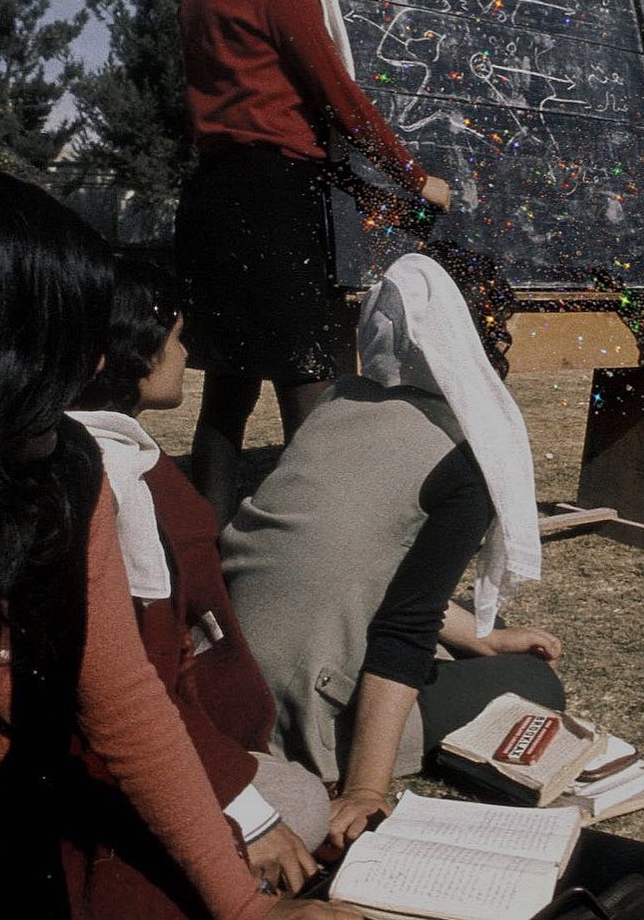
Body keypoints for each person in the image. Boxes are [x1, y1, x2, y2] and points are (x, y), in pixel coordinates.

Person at [0, 150, 358, 920]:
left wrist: (247, 908)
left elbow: (126, 701)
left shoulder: (66, 473)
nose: (88, 365)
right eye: (54, 343)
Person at [221, 254, 566, 849]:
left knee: (490, 627)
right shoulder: (464, 455)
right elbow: (403, 627)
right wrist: (365, 789)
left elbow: (357, 558)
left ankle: (478, 641)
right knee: (533, 683)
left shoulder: (341, 401)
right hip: (295, 700)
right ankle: (347, 753)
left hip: (230, 663)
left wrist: (479, 638)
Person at [176, 0, 452, 527]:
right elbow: (343, 99)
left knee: (227, 394)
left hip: (214, 196)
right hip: (275, 199)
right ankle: (323, 547)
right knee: (311, 384)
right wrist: (416, 180)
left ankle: (206, 563)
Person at [64, 259, 333, 916]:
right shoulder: (133, 486)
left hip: (151, 747)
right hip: (138, 759)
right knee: (299, 801)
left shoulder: (79, 457)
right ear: (130, 353)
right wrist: (240, 791)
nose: (185, 354)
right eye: (177, 337)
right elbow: (143, 681)